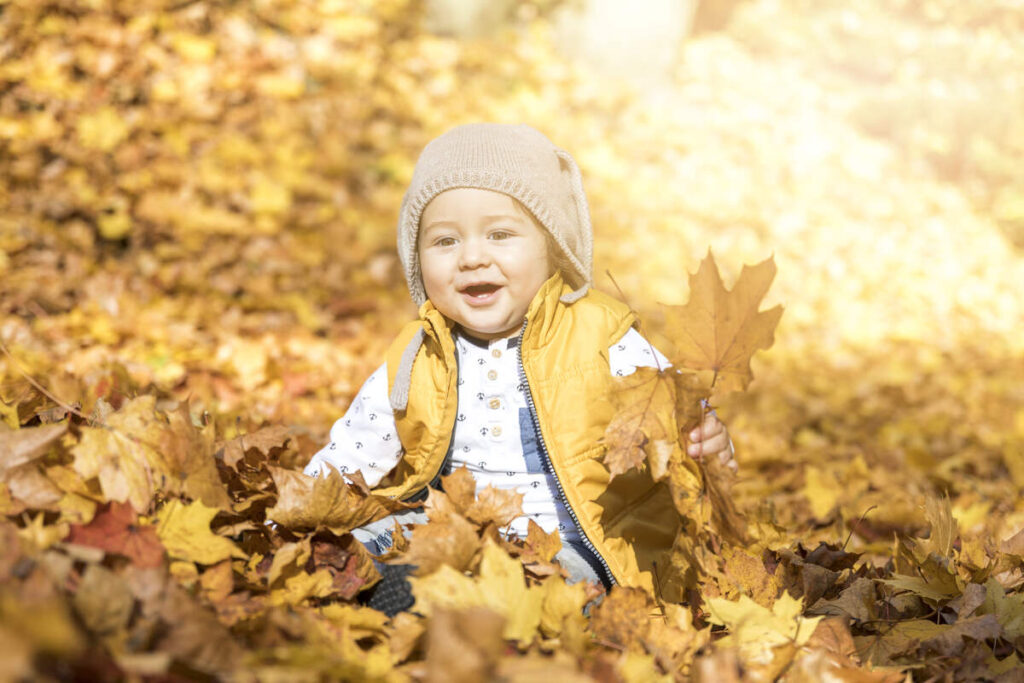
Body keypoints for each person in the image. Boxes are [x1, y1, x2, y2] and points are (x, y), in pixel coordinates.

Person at [304, 123, 734, 614]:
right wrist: (298, 517)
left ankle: (450, 607)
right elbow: (354, 450)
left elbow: (681, 425)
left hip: (570, 542)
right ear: (416, 258)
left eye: (500, 234)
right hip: (447, 527)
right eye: (445, 241)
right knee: (356, 544)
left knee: (556, 594)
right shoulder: (419, 351)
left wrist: (711, 444)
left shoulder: (603, 336)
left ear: (551, 246)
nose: (471, 257)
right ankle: (392, 588)